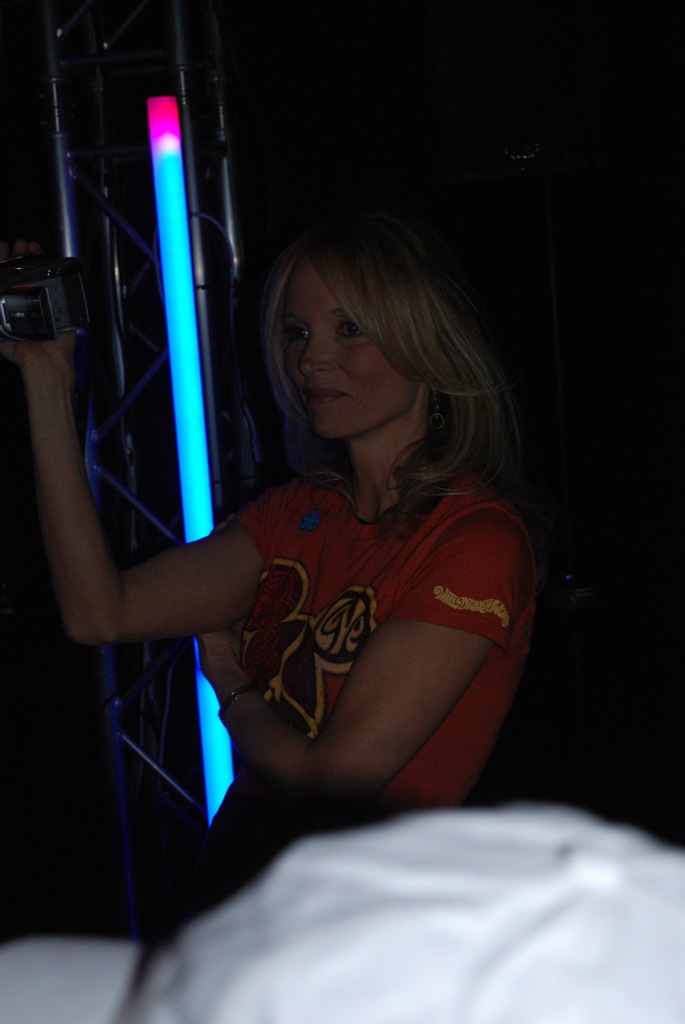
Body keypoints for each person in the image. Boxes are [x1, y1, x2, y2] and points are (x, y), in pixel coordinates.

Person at [0, 212, 548, 909]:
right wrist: (47, 380)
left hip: (356, 930)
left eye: (350, 329)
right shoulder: (297, 511)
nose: (311, 358)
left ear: (425, 340)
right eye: (297, 332)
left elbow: (331, 784)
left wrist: (229, 681)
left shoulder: (475, 541)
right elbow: (98, 612)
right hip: (240, 908)